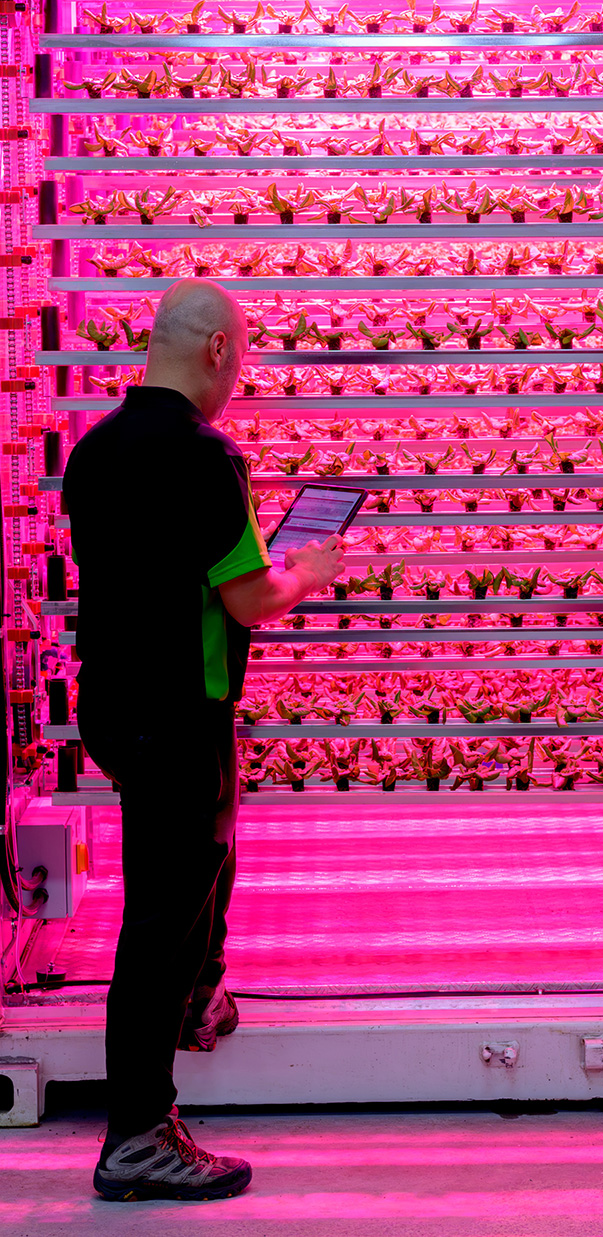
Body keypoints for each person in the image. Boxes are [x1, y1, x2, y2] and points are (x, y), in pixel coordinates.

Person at [62, 278, 345, 1202]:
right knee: (161, 918)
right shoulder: (204, 458)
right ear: (218, 350)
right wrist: (307, 568)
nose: (238, 379)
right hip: (181, 709)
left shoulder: (93, 451)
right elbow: (247, 596)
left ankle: (196, 1002)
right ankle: (138, 1135)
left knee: (197, 873)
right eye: (243, 359)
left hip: (113, 705)